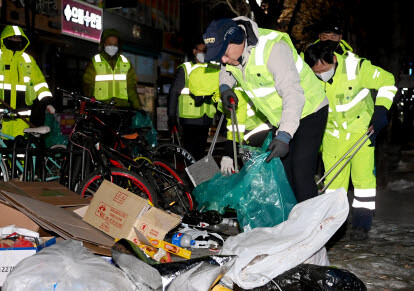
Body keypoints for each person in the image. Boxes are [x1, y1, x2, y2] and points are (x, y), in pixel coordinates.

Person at [204, 17, 329, 202]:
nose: (223, 59)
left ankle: (311, 224)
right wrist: (225, 88)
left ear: (238, 40)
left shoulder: (273, 50)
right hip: (281, 117)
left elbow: (293, 94)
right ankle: (291, 221)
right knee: (283, 175)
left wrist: (284, 135)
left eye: (223, 53)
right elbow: (226, 70)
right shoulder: (232, 54)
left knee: (300, 170)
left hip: (310, 110)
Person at [304, 42, 397, 240]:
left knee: (363, 181)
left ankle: (362, 225)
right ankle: (335, 227)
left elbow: (388, 81)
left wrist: (381, 110)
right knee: (333, 184)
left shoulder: (356, 68)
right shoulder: (307, 74)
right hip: (332, 136)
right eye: (316, 72)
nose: (321, 75)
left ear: (334, 59)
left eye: (324, 70)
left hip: (361, 133)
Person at [167, 39, 218, 160]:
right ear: (195, 52)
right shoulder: (186, 68)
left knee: (201, 153)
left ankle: (198, 178)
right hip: (190, 119)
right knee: (190, 154)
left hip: (206, 117)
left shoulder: (211, 68)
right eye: (202, 51)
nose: (204, 53)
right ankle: (189, 178)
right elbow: (174, 92)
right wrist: (171, 116)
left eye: (207, 51)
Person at [0, 25, 53, 137]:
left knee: (20, 152)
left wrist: (45, 98)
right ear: (4, 38)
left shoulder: (28, 60)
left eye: (18, 38)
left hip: (22, 119)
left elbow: (39, 82)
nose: (15, 40)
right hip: (1, 118)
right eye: (12, 37)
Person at [82, 29, 141, 110]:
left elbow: (131, 88)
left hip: (122, 110)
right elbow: (88, 86)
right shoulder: (95, 62)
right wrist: (90, 105)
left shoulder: (125, 63)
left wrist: (138, 108)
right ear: (103, 44)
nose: (112, 47)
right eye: (110, 44)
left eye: (115, 44)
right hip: (101, 109)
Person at [218, 87, 271, 175]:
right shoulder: (231, 86)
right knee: (260, 171)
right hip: (263, 127)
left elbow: (236, 123)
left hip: (254, 132)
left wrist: (229, 153)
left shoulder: (234, 90)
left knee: (252, 173)